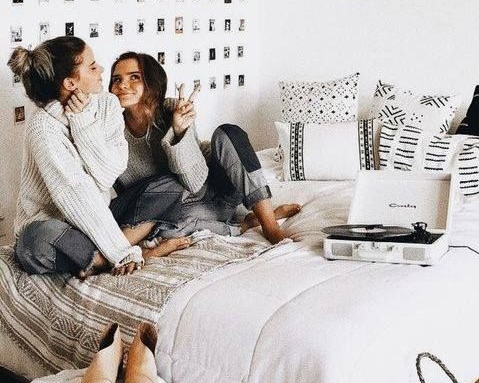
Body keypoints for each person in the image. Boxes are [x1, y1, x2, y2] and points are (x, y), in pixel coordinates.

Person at [7, 37, 189, 279]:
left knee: (170, 185)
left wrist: (82, 123)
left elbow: (108, 174)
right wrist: (121, 252)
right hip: (59, 226)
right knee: (31, 242)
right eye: (92, 67)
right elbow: (75, 192)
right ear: (71, 83)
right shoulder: (42, 126)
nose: (102, 70)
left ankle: (100, 255)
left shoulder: (108, 104)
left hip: (100, 212)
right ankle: (116, 256)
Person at [109, 52, 300, 244]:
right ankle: (245, 224)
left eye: (134, 77)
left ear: (152, 82)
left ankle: (270, 225)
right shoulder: (111, 130)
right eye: (116, 79)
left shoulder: (175, 110)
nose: (122, 85)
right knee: (162, 232)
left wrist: (179, 131)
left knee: (228, 133)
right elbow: (138, 202)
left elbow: (194, 183)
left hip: (216, 189)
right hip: (185, 210)